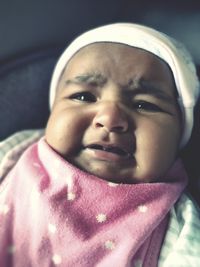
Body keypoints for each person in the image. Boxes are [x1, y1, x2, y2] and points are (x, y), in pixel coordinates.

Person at [0, 23, 200, 267]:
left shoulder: (180, 225)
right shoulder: (15, 152)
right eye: (84, 97)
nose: (110, 119)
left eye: (144, 105)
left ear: (179, 137)